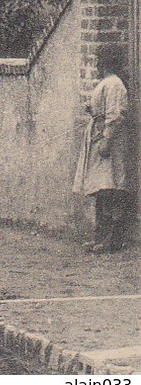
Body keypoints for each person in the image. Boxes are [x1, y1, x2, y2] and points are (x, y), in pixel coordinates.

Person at [78, 42, 134, 253]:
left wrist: (106, 141)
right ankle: (100, 236)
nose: (98, 64)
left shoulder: (115, 84)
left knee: (111, 188)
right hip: (100, 138)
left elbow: (116, 116)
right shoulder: (107, 83)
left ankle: (112, 239)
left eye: (101, 60)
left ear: (109, 62)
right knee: (102, 189)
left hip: (110, 143)